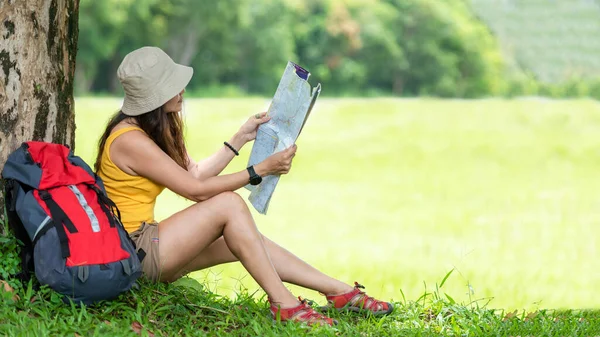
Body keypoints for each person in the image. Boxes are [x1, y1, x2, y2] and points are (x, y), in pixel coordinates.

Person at [94, 46, 393, 326]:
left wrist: (240, 137)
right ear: (154, 95)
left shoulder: (154, 127)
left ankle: (340, 292)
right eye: (173, 85)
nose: (182, 89)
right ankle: (284, 304)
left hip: (147, 245)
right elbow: (195, 191)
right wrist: (257, 171)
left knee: (245, 238)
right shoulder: (130, 140)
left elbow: (196, 174)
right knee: (229, 204)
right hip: (131, 254)